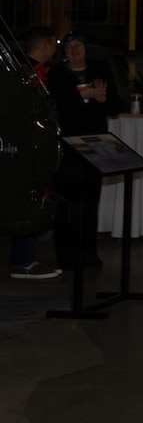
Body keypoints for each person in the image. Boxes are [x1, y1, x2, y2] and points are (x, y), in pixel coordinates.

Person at [47, 33, 124, 270]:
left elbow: (116, 108)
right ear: (63, 52)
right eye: (69, 46)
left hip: (96, 144)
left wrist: (103, 99)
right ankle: (66, 257)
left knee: (91, 201)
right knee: (68, 202)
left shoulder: (100, 70)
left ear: (85, 48)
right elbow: (54, 107)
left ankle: (89, 255)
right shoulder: (56, 74)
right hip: (67, 145)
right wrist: (81, 95)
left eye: (78, 45)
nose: (74, 49)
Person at [9, 26, 62, 279]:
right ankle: (23, 261)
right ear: (45, 45)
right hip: (25, 148)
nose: (54, 50)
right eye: (54, 45)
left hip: (30, 146)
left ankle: (24, 258)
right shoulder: (24, 73)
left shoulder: (20, 69)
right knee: (27, 201)